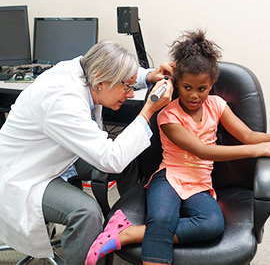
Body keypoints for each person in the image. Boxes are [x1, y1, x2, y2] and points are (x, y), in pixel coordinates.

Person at [85, 30, 270, 265]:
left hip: (199, 184)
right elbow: (203, 151)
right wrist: (257, 150)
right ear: (176, 84)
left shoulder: (218, 106)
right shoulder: (167, 115)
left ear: (211, 84)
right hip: (168, 178)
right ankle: (140, 236)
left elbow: (248, 135)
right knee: (162, 219)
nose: (194, 95)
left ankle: (129, 233)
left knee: (212, 224)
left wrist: (265, 142)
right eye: (187, 87)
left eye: (201, 89)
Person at [0, 40, 174, 265]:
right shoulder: (62, 101)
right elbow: (110, 160)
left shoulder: (83, 68)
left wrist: (147, 76)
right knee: (85, 212)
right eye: (127, 87)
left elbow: (110, 67)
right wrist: (148, 110)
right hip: (25, 177)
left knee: (130, 159)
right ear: (100, 81)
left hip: (58, 155)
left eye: (131, 85)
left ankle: (126, 222)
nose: (130, 94)